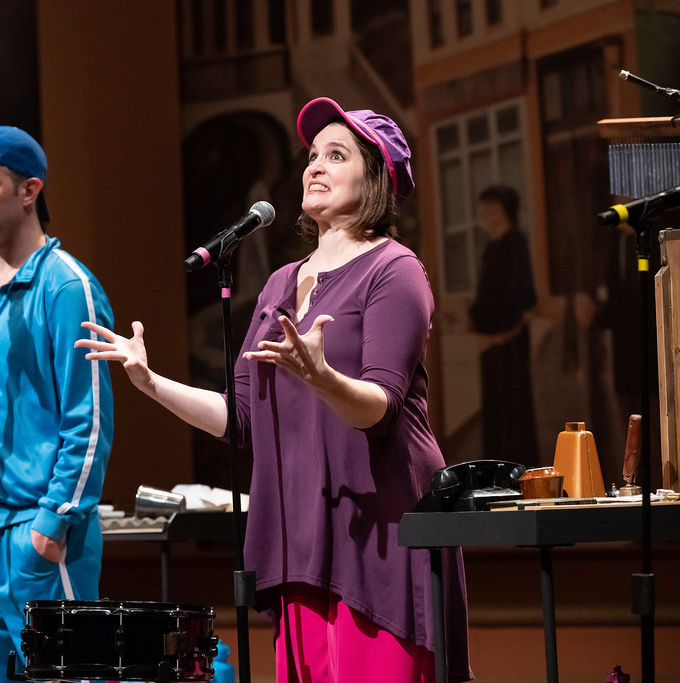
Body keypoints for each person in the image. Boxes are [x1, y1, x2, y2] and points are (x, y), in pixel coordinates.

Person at [77, 97, 472, 681]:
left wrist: (322, 378)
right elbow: (239, 418)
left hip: (378, 532)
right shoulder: (279, 285)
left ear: (379, 177)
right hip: (299, 536)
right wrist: (150, 382)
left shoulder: (395, 269)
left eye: (336, 155)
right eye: (312, 155)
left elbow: (381, 409)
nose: (313, 166)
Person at [0, 125, 114, 681]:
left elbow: (88, 424)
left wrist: (51, 525)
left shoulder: (66, 287)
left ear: (29, 190)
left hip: (36, 540)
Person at [468, 185, 540, 467]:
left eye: (491, 206)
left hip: (509, 338)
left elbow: (522, 295)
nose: (485, 213)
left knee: (514, 408)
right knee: (495, 409)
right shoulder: (491, 248)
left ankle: (519, 471)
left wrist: (499, 333)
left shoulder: (515, 243)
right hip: (490, 341)